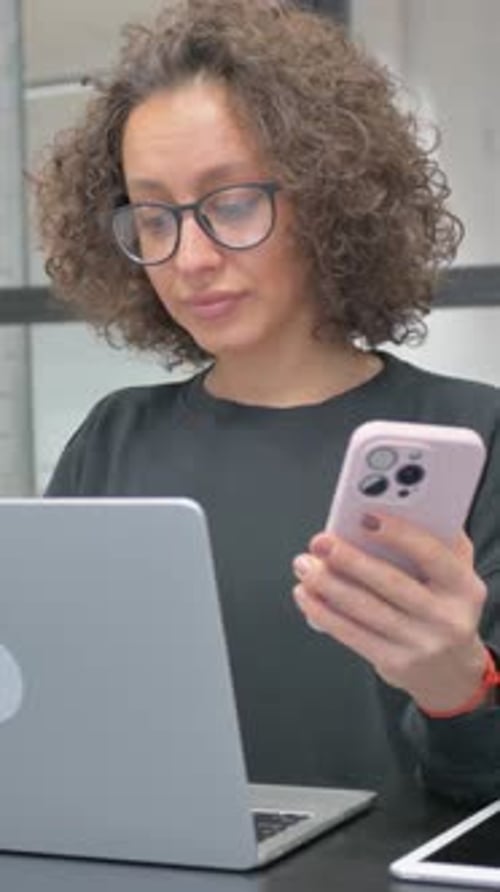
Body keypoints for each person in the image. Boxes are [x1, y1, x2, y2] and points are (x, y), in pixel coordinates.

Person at [35, 0, 500, 804]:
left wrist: (454, 685)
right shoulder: (113, 441)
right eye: (154, 218)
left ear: (327, 198)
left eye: (233, 203)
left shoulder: (472, 439)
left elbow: (483, 795)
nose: (192, 258)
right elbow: (50, 719)